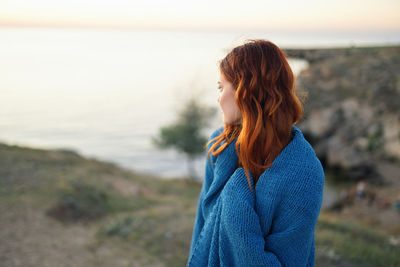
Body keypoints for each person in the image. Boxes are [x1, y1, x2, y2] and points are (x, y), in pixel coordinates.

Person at [187, 39, 325, 267]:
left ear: (246, 92)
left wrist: (235, 201)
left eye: (222, 88)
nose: (219, 98)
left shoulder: (304, 174)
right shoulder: (219, 145)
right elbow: (202, 230)